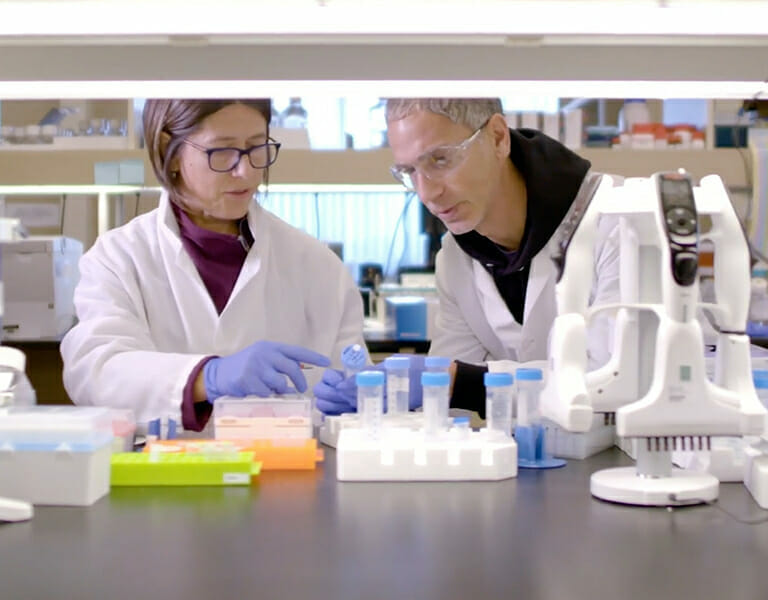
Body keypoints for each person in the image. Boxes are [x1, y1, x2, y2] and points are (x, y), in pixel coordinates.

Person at [61, 99, 367, 431]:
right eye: (222, 152)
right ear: (171, 151)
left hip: (287, 474)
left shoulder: (315, 263)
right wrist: (206, 377)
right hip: (162, 474)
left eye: (256, 148)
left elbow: (352, 375)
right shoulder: (120, 257)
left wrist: (357, 397)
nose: (246, 171)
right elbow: (96, 372)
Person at [314, 97, 619, 417]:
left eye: (441, 159)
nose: (427, 194)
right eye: (409, 171)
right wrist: (378, 398)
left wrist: (459, 383)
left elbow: (613, 382)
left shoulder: (617, 221)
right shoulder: (456, 258)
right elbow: (443, 408)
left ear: (498, 137)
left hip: (628, 462)